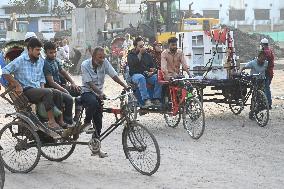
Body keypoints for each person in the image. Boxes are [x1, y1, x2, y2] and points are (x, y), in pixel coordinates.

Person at [2, 38, 65, 138]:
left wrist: (42, 89)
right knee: (48, 92)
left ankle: (59, 123)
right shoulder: (21, 59)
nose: (39, 53)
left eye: (40, 50)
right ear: (30, 49)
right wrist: (17, 84)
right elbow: (5, 71)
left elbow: (41, 78)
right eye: (37, 50)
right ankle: (51, 122)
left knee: (57, 93)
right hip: (26, 90)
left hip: (37, 90)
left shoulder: (40, 61)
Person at [80, 46, 128, 158]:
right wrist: (99, 93)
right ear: (93, 56)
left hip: (99, 95)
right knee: (93, 103)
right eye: (99, 57)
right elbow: (90, 84)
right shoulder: (85, 65)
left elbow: (114, 75)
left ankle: (95, 149)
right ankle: (86, 122)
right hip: (87, 92)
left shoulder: (104, 62)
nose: (102, 60)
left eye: (103, 57)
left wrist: (125, 86)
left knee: (98, 123)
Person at [43, 41, 81, 124]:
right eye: (50, 53)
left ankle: (77, 117)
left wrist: (72, 82)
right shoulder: (46, 64)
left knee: (81, 90)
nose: (53, 54)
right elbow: (51, 82)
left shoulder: (56, 60)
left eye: (55, 52)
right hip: (53, 89)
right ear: (45, 53)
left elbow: (63, 72)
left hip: (60, 86)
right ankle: (68, 121)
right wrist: (64, 90)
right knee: (69, 99)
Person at [127, 37, 162, 107]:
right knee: (141, 77)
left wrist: (152, 70)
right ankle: (146, 99)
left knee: (158, 78)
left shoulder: (147, 55)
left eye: (143, 45)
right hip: (135, 75)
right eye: (140, 46)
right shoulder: (131, 55)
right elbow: (134, 64)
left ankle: (156, 98)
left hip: (146, 74)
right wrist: (140, 53)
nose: (142, 47)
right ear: (135, 46)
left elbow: (152, 66)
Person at [240, 51, 268, 119]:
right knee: (255, 96)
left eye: (264, 59)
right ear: (258, 57)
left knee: (261, 97)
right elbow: (244, 67)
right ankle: (252, 111)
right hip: (254, 80)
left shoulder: (266, 63)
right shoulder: (253, 63)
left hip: (261, 80)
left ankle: (259, 109)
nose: (262, 61)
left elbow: (265, 70)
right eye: (261, 59)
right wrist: (241, 72)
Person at [260, 38, 274, 109]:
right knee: (266, 87)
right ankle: (267, 103)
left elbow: (261, 61)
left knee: (265, 88)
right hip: (270, 72)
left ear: (262, 44)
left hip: (266, 72)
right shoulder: (270, 50)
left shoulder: (265, 51)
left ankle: (267, 104)